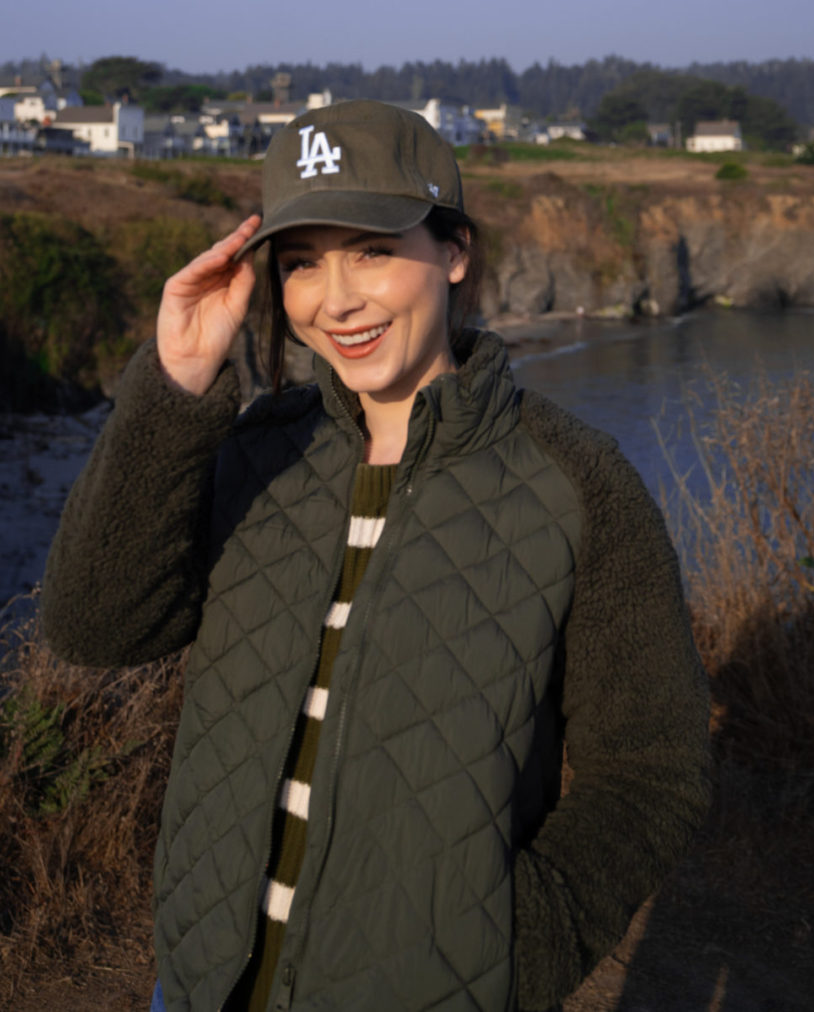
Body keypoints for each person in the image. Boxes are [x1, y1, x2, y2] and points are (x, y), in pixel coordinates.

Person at [42, 100, 710, 1012]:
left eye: (373, 250)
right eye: (303, 263)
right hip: (200, 987)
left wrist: (515, 948)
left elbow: (651, 767)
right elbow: (95, 628)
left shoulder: (577, 483)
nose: (336, 299)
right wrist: (177, 388)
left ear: (456, 252)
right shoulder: (256, 453)